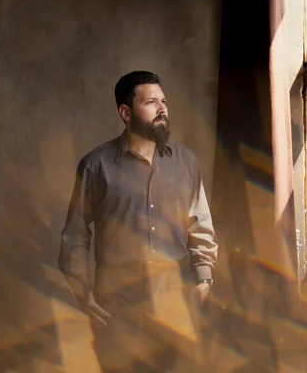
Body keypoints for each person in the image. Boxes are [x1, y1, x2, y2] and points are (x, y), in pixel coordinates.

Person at [58, 71, 217, 372]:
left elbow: (200, 224)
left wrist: (204, 278)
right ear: (125, 112)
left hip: (176, 301)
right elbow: (75, 235)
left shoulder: (186, 162)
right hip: (117, 307)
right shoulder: (96, 166)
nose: (162, 109)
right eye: (151, 102)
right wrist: (83, 291)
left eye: (164, 101)